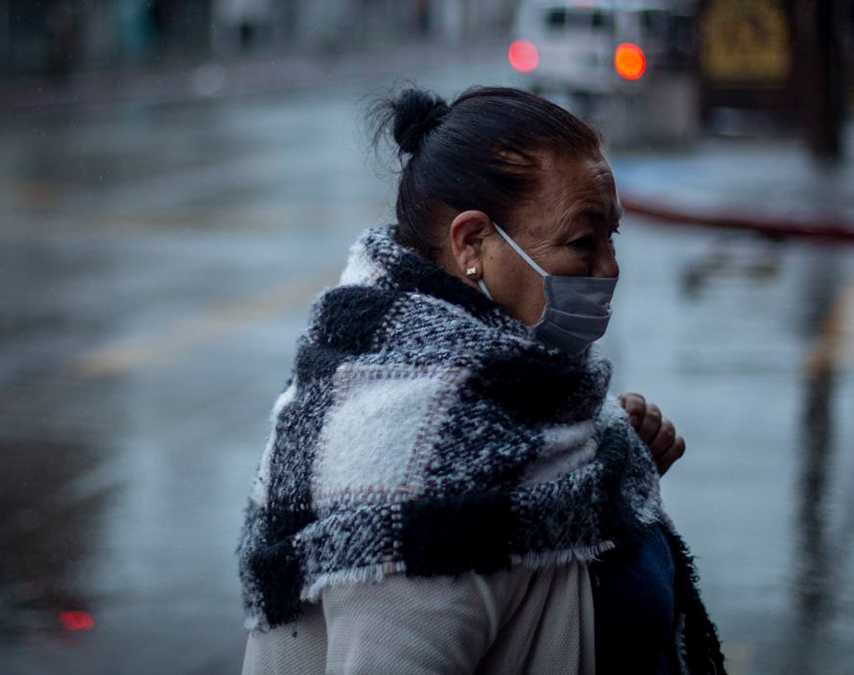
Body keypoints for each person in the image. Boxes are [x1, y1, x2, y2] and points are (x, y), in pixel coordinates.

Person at [237, 86, 727, 675]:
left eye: (611, 237)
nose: (610, 268)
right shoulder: (417, 474)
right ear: (473, 244)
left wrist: (612, 480)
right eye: (581, 241)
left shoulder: (532, 401)